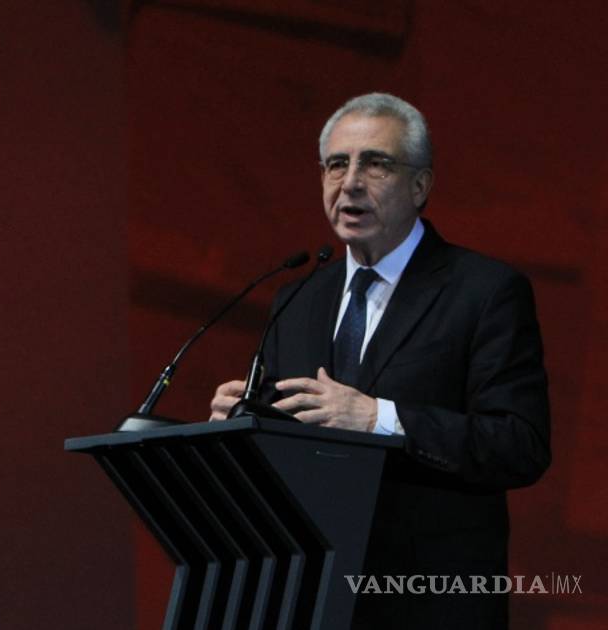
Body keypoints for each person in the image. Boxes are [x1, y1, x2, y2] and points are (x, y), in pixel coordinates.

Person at [209, 93, 549, 629]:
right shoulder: (297, 299)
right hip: (312, 600)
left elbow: (519, 445)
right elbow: (291, 450)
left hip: (428, 603)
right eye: (336, 164)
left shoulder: (484, 292)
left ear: (420, 186)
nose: (350, 182)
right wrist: (242, 427)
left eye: (376, 164)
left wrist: (379, 419)